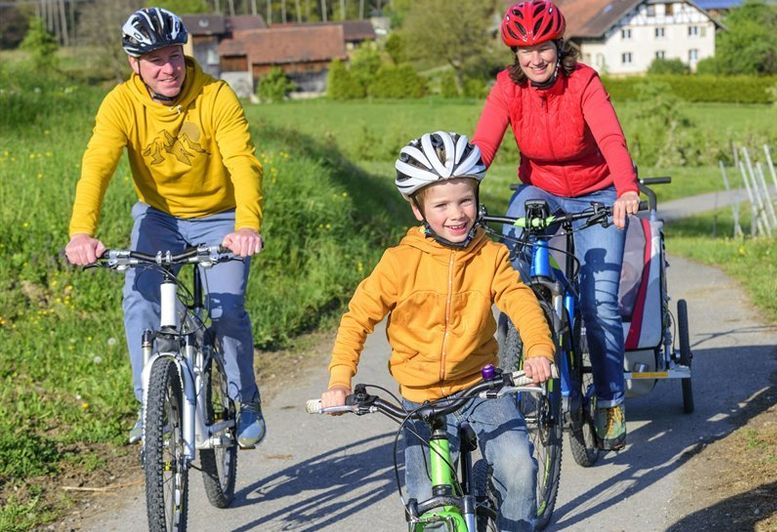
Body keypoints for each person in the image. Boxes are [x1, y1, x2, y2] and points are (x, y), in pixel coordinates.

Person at [320, 131, 555, 531]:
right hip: (421, 397)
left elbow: (520, 301)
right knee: (425, 501)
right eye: (441, 204)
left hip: (482, 388)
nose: (457, 213)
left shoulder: (491, 256)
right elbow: (358, 317)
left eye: (465, 199)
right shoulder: (399, 262)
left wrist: (538, 348)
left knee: (518, 467)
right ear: (418, 209)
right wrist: (340, 380)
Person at [63, 7, 266, 448]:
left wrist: (247, 225)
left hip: (221, 217)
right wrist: (81, 232)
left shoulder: (216, 96)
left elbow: (243, 164)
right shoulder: (121, 103)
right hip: (159, 217)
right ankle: (149, 408)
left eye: (174, 55)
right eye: (155, 59)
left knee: (225, 309)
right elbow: (96, 167)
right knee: (139, 303)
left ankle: (243, 399)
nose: (169, 68)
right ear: (134, 64)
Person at [472, 0, 639, 451]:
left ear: (556, 46)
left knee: (599, 302)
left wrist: (626, 188)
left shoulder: (583, 81)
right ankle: (530, 339)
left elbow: (610, 137)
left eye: (543, 48)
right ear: (516, 56)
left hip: (598, 192)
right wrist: (457, 193)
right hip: (540, 189)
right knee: (513, 263)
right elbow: (483, 146)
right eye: (525, 52)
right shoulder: (508, 88)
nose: (536, 59)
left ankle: (610, 399)